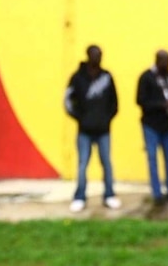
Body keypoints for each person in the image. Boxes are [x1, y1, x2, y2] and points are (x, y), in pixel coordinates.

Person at [63, 44, 121, 212]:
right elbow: (68, 101)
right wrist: (81, 118)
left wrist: (106, 119)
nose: (98, 57)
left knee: (107, 163)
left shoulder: (107, 76)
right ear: (88, 56)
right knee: (82, 165)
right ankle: (79, 197)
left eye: (100, 55)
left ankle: (109, 195)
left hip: (103, 130)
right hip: (85, 131)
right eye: (95, 54)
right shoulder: (77, 77)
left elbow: (115, 102)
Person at [136, 49, 168, 204]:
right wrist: (162, 105)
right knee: (153, 158)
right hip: (151, 125)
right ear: (158, 60)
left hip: (167, 125)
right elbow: (140, 100)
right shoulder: (146, 77)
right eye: (165, 61)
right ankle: (157, 193)